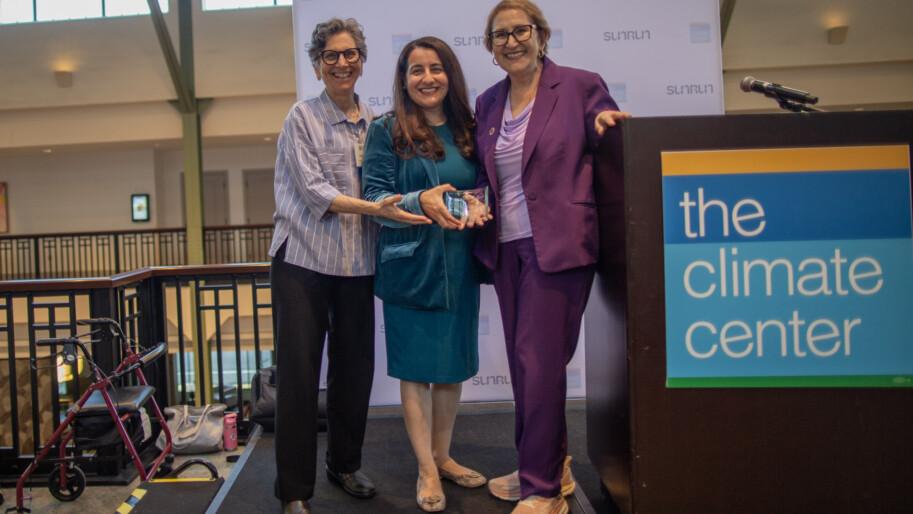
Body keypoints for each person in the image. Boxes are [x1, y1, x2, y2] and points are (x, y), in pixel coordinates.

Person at [472, 2, 632, 514]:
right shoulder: (488, 102)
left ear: (541, 36)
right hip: (505, 248)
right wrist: (475, 199)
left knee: (539, 364)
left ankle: (542, 491)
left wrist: (608, 124)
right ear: (491, 48)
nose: (511, 41)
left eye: (520, 31)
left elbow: (601, 125)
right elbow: (488, 174)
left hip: (559, 246)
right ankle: (546, 466)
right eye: (500, 36)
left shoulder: (580, 85)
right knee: (526, 369)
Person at [268, 18, 430, 514]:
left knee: (355, 371)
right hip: (303, 261)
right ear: (318, 64)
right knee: (298, 377)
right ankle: (294, 490)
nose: (342, 62)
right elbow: (316, 192)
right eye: (332, 55)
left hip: (359, 262)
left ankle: (344, 464)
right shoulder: (302, 118)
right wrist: (377, 208)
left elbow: (388, 185)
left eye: (350, 53)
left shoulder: (379, 123)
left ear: (362, 59)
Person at [362, 36, 492, 513]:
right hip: (410, 266)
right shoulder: (385, 130)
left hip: (459, 264)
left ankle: (444, 455)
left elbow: (482, 187)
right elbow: (375, 200)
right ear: (403, 80)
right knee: (417, 373)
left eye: (435, 68)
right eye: (416, 70)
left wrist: (479, 202)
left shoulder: (469, 128)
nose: (427, 78)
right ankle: (426, 468)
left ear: (449, 74)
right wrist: (421, 201)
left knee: (452, 369)